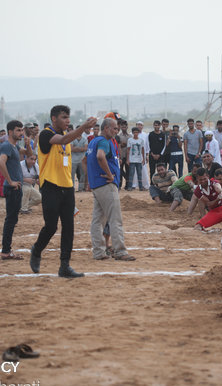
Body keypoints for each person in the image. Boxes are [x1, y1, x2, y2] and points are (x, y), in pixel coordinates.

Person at [29, 106, 97, 276]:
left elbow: (66, 141)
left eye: (68, 117)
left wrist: (82, 129)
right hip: (50, 186)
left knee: (69, 227)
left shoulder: (66, 138)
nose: (67, 120)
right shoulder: (46, 134)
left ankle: (64, 266)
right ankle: (36, 250)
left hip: (67, 187)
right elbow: (64, 139)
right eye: (64, 117)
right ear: (54, 118)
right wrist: (83, 127)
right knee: (51, 227)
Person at [86, 117, 135, 261]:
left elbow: (87, 160)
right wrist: (110, 175)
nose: (116, 131)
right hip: (105, 184)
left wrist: (91, 179)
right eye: (114, 128)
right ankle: (120, 251)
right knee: (115, 219)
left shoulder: (93, 141)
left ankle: (99, 252)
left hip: (97, 185)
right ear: (106, 128)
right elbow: (100, 156)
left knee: (98, 220)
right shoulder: (103, 141)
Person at [0, 120, 32, 260]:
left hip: (16, 187)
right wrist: (10, 181)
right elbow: (1, 163)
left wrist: (28, 143)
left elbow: (28, 154)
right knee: (11, 220)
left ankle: (7, 250)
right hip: (12, 188)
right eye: (18, 130)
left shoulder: (15, 146)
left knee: (12, 219)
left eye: (22, 130)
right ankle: (6, 251)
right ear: (10, 132)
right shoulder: (7, 145)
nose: (21, 133)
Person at [126, 127, 146, 191]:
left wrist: (144, 159)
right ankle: (130, 186)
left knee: (139, 174)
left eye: (137, 132)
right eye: (134, 132)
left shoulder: (141, 140)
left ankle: (140, 187)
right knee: (131, 174)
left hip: (139, 159)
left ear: (139, 133)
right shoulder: (130, 140)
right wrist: (127, 159)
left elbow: (143, 150)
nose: (135, 133)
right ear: (132, 133)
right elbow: (128, 150)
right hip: (132, 159)